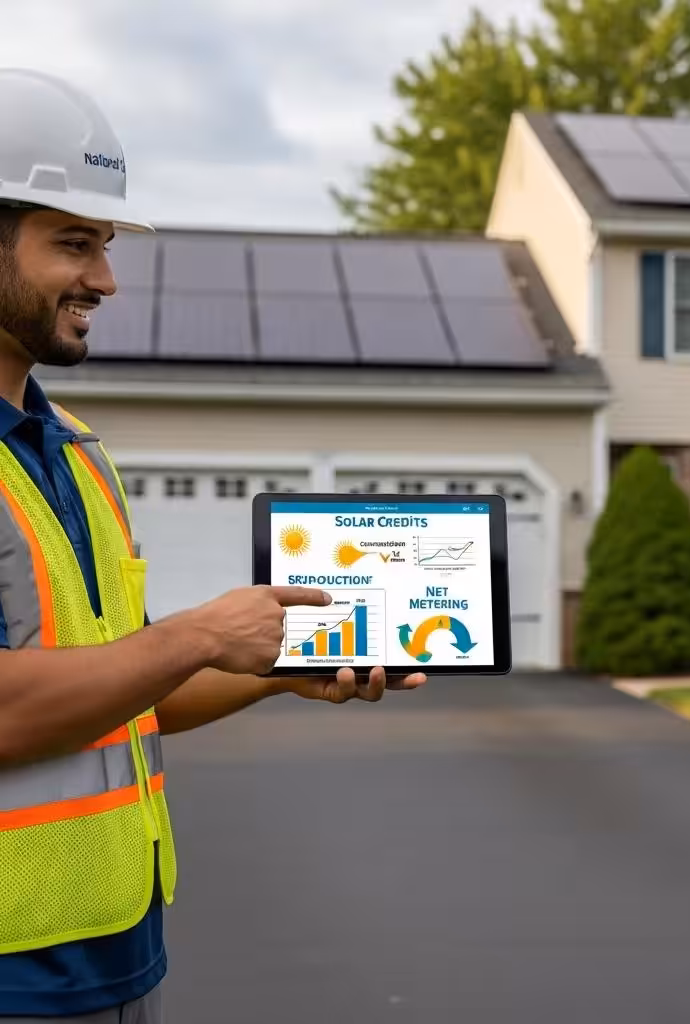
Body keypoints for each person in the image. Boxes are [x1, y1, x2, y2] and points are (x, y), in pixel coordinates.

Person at [0, 68, 426, 1021]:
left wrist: (281, 663)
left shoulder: (70, 450)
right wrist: (195, 635)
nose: (104, 279)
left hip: (114, 956)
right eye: (74, 243)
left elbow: (126, 693)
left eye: (105, 246)